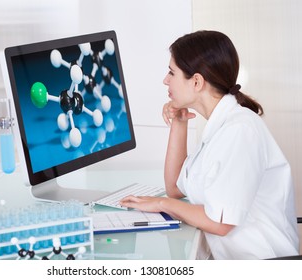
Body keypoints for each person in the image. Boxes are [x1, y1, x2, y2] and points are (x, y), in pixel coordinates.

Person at [120, 30, 300, 259]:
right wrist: (179, 121)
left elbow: (220, 223)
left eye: (171, 72)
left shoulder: (239, 132)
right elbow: (175, 188)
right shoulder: (219, 128)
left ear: (196, 81)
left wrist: (162, 204)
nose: (165, 80)